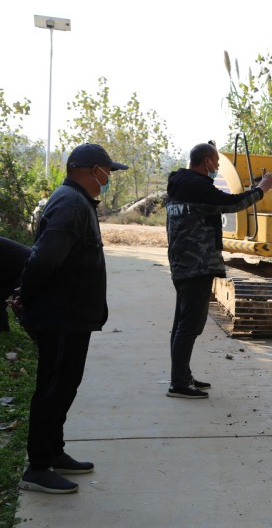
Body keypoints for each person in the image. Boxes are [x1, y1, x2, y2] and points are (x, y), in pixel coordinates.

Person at [14, 143, 128, 494]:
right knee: (53, 389)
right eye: (108, 171)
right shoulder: (70, 204)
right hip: (60, 315)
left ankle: (54, 451)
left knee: (65, 386)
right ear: (94, 170)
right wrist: (25, 296)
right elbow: (45, 258)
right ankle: (38, 467)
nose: (108, 177)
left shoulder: (78, 201)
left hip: (72, 315)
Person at [165, 142, 272, 399]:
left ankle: (182, 376)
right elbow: (232, 203)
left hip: (183, 263)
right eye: (215, 161)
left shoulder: (180, 184)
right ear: (206, 162)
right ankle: (178, 383)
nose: (216, 166)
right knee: (189, 325)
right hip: (197, 264)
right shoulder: (198, 186)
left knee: (182, 323)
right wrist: (261, 189)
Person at [0, 237, 31, 332]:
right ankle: (3, 330)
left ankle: (39, 335)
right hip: (11, 270)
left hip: (29, 266)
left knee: (20, 303)